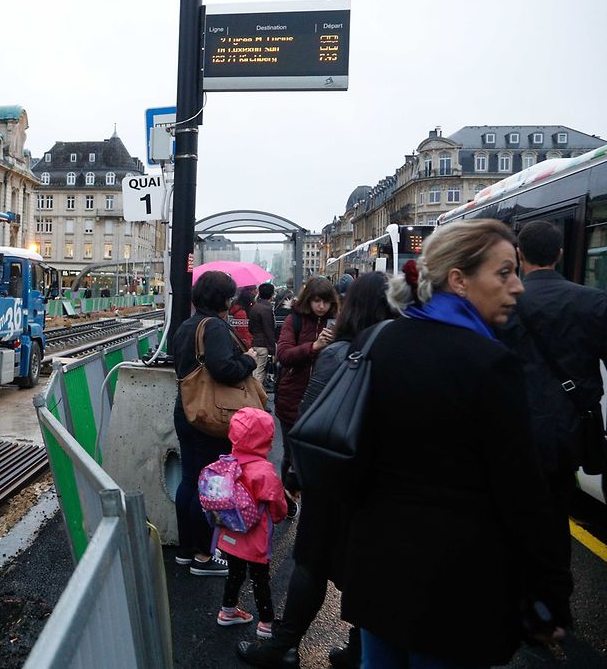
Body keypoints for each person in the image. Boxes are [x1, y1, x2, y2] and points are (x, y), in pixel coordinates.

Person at [341, 219, 569, 668]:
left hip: (378, 566)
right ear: (459, 280)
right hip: (456, 582)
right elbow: (521, 493)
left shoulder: (378, 341)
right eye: (504, 273)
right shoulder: (489, 362)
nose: (517, 287)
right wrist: (549, 591)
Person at [237, 271, 396, 669]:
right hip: (375, 483)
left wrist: (297, 475)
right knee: (360, 565)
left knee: (311, 563)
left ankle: (283, 645)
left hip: (330, 479)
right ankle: (359, 647)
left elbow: (312, 415)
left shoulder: (337, 352)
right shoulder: (398, 352)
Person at [501, 219, 607, 609]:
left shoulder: (506, 301)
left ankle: (524, 599)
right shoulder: (593, 301)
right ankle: (556, 602)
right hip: (570, 429)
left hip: (517, 430)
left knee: (517, 515)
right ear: (560, 254)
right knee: (556, 514)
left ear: (519, 255)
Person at [171, 270, 260, 575]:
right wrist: (249, 359)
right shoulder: (216, 328)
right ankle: (203, 556)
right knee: (205, 484)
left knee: (188, 480)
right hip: (210, 416)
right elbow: (225, 370)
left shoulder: (186, 326)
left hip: (186, 410)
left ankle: (185, 549)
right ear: (223, 298)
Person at [211, 407, 288, 640]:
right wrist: (278, 517)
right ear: (265, 439)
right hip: (254, 539)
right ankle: (266, 623)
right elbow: (277, 505)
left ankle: (228, 611)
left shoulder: (227, 463)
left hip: (229, 535)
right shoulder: (262, 471)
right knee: (259, 578)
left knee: (234, 574)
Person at [274, 276, 339, 510]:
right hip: (293, 398)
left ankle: (313, 502)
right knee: (291, 454)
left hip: (325, 400)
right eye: (316, 301)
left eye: (326, 302)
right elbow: (284, 355)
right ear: (308, 300)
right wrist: (313, 347)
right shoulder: (295, 320)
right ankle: (287, 498)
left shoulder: (338, 322)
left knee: (318, 455)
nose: (321, 306)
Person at [248, 283, 277, 387]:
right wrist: (272, 351)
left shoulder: (255, 307)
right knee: (259, 375)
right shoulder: (267, 309)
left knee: (254, 373)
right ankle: (255, 398)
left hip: (255, 343)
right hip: (264, 345)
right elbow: (269, 331)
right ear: (272, 294)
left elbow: (250, 327)